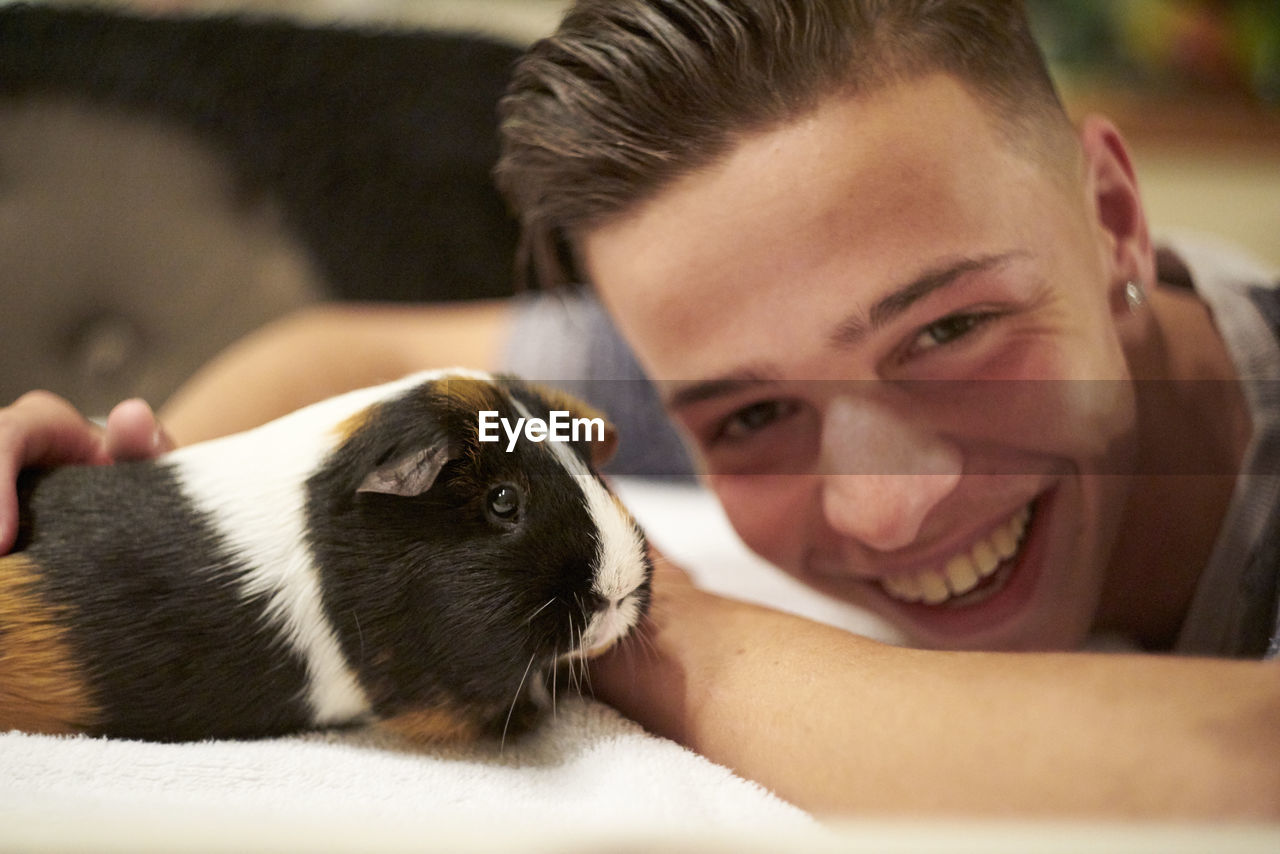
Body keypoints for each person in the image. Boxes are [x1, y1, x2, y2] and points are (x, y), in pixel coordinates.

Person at [2, 0, 1277, 818]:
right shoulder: (725, 341)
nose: (889, 504)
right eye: (747, 417)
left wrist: (686, 637)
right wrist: (166, 502)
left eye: (946, 330)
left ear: (1114, 219)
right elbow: (358, 348)